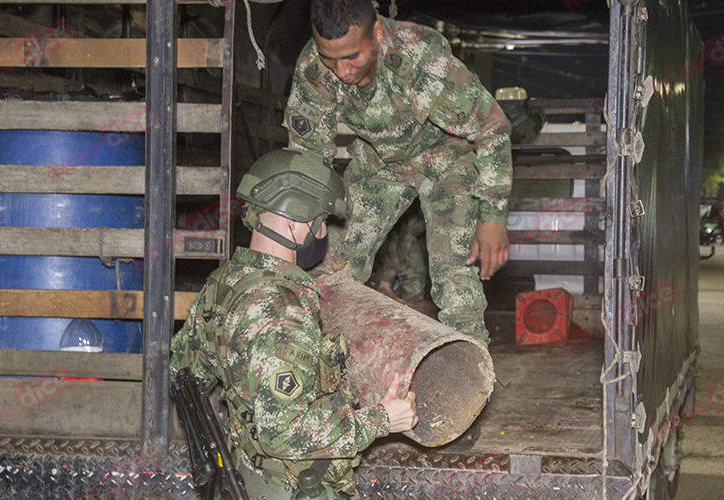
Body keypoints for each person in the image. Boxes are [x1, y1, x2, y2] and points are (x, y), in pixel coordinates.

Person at [170, 147, 418, 500]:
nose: (321, 234)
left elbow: (185, 375)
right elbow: (283, 433)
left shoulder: (223, 283)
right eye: (321, 222)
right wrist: (382, 419)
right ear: (298, 221)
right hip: (294, 490)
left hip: (248, 475)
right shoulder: (282, 311)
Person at [283, 0, 513, 343]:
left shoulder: (422, 60)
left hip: (448, 159)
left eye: (352, 57)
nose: (342, 71)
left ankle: (467, 378)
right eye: (331, 58)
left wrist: (493, 217)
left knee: (455, 275)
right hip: (380, 163)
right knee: (329, 265)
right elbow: (309, 155)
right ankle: (323, 363)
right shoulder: (314, 68)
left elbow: (492, 128)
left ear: (376, 32)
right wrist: (305, 218)